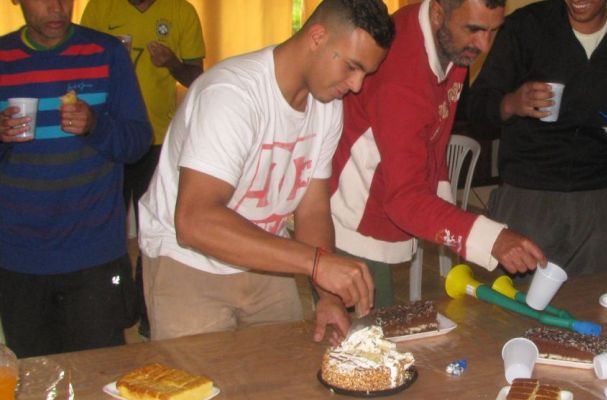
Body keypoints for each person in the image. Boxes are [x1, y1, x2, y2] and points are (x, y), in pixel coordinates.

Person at [137, 0, 394, 343]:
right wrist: (316, 263)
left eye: (365, 74)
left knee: (283, 368)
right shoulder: (232, 95)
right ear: (317, 37)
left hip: (266, 255)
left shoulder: (327, 105)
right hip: (189, 260)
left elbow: (312, 209)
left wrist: (328, 295)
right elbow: (194, 221)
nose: (357, 85)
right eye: (351, 66)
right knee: (202, 375)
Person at [330, 0, 547, 308]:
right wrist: (492, 239)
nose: (484, 45)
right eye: (474, 29)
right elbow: (404, 199)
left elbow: (435, 137)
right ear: (437, 13)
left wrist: (446, 212)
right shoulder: (402, 76)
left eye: (493, 31)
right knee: (368, 331)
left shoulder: (452, 42)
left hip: (379, 202)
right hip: (350, 220)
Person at [465, 0, 607, 277]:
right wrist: (512, 102)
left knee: (589, 299)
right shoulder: (526, 26)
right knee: (516, 300)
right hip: (529, 197)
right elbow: (476, 107)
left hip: (602, 199)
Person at [0, 0, 152, 357]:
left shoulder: (107, 53)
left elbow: (138, 142)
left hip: (94, 252)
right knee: (34, 373)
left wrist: (96, 125)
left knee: (98, 370)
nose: (56, 7)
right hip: (18, 254)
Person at [81, 0, 206, 338]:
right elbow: (78, 65)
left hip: (157, 140)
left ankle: (149, 311)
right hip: (108, 138)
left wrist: (173, 63)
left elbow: (198, 78)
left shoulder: (181, 11)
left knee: (155, 233)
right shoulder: (100, 8)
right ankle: (114, 308)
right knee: (106, 229)